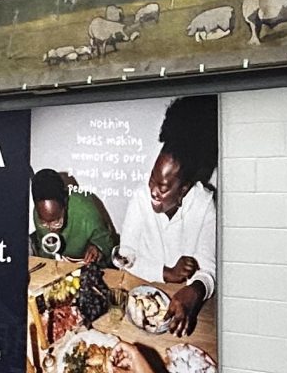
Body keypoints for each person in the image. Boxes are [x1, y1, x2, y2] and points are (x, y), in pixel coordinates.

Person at [114, 96, 218, 336]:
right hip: (139, 298)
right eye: (152, 179)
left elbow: (209, 272)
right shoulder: (141, 197)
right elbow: (125, 256)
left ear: (184, 189)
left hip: (180, 305)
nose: (153, 190)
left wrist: (196, 289)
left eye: (163, 187)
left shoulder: (204, 205)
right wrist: (166, 273)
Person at [28, 167, 117, 264]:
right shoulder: (39, 214)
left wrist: (97, 249)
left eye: (56, 222)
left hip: (84, 263)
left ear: (65, 204)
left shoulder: (86, 210)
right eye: (44, 223)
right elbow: (44, 251)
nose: (51, 229)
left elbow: (107, 244)